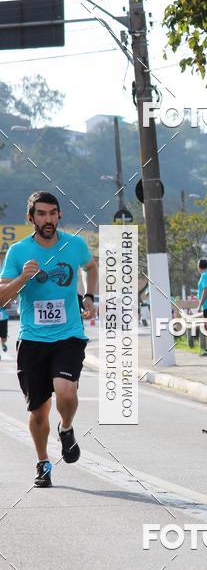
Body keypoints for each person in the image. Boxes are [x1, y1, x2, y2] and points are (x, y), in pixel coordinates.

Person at [0, 191, 98, 488]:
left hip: (68, 335)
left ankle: (66, 428)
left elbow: (90, 268)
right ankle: (43, 462)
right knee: (38, 410)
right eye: (41, 214)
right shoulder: (18, 252)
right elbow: (2, 299)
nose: (47, 219)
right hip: (32, 339)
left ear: (59, 216)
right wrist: (21, 279)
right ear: (31, 218)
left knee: (66, 392)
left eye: (52, 213)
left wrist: (90, 295)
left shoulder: (75, 244)